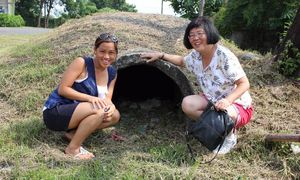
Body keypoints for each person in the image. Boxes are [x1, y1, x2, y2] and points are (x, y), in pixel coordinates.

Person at [141, 16, 253, 154]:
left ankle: (229, 135)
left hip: (236, 105)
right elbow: (182, 61)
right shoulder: (196, 56)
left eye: (200, 33)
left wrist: (227, 101)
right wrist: (161, 55)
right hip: (212, 100)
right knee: (188, 104)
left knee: (223, 114)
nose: (195, 38)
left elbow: (244, 83)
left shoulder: (224, 56)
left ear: (209, 33)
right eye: (191, 35)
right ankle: (217, 128)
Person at [43, 33, 121, 160]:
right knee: (99, 109)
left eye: (111, 52)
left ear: (116, 54)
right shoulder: (82, 63)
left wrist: (111, 107)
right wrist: (90, 98)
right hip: (56, 111)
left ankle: (72, 134)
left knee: (115, 115)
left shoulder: (112, 73)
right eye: (102, 51)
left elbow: (107, 99)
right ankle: (72, 149)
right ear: (95, 50)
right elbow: (63, 89)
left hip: (81, 113)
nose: (106, 56)